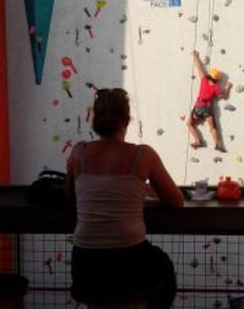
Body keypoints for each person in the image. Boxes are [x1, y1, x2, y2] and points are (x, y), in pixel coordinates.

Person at [65, 88, 184, 309]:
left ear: (95, 120)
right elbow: (176, 201)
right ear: (126, 120)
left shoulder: (78, 152)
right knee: (163, 269)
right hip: (128, 257)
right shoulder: (143, 154)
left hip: (86, 260)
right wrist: (143, 190)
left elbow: (70, 199)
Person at [187, 50, 232, 152]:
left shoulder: (204, 80)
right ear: (217, 79)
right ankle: (217, 144)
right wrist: (227, 87)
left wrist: (196, 56)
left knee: (189, 123)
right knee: (212, 127)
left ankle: (198, 141)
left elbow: (199, 67)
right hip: (207, 109)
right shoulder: (216, 88)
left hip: (199, 107)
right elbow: (223, 96)